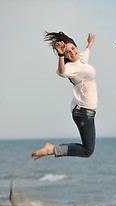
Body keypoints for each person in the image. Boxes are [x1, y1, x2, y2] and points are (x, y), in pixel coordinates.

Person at [32, 31, 97, 160]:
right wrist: (61, 55)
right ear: (65, 55)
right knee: (87, 150)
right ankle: (51, 149)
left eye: (73, 49)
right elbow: (62, 72)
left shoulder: (81, 60)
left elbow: (85, 53)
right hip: (83, 111)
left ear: (76, 48)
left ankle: (51, 149)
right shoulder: (71, 67)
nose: (72, 53)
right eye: (68, 52)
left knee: (87, 149)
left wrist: (90, 43)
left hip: (86, 111)